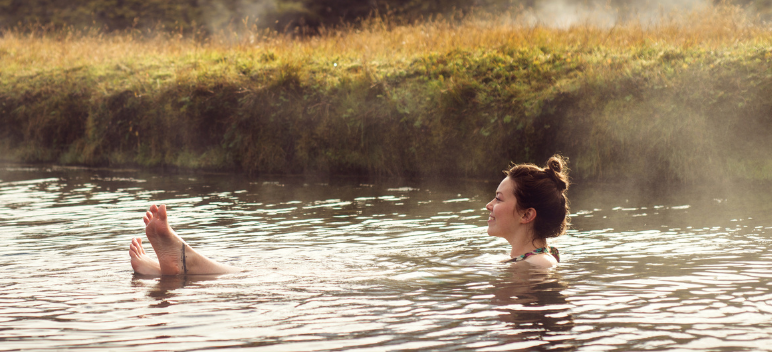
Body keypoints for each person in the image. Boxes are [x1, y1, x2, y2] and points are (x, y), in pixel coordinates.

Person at [128, 155, 570, 275]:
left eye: (499, 199)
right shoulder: (524, 262)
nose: (489, 206)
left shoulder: (536, 267)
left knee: (271, 282)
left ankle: (184, 263)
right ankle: (171, 271)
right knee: (286, 269)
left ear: (526, 213)